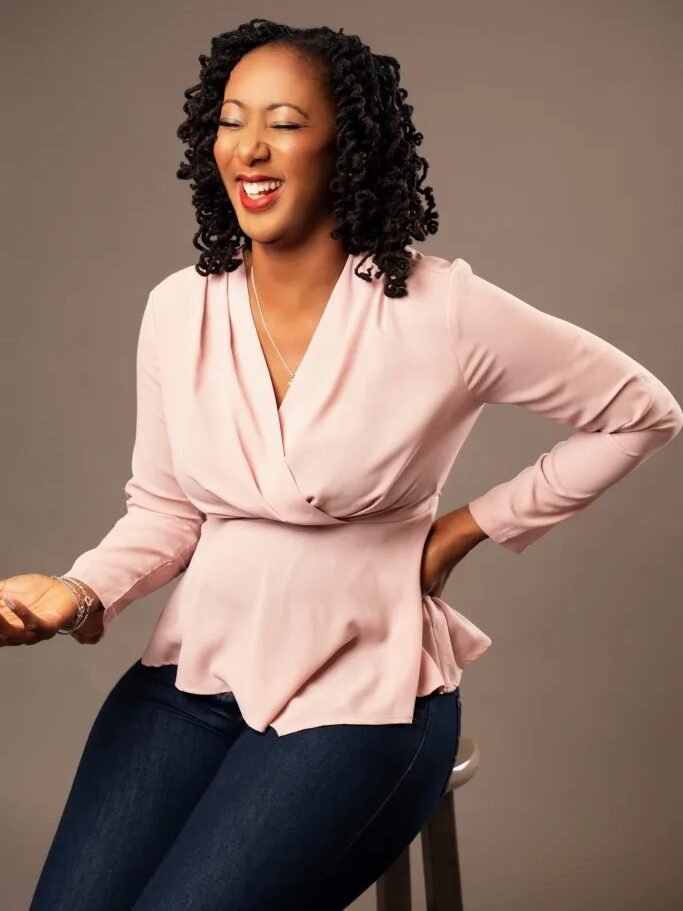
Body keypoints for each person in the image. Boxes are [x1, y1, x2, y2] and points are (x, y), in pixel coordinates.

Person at [1, 17, 680, 911]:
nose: (248, 146)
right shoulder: (177, 309)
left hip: (365, 698)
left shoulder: (442, 309)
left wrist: (467, 529)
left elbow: (640, 410)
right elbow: (166, 510)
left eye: (283, 122)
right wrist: (74, 592)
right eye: (230, 119)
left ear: (346, 148)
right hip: (195, 675)